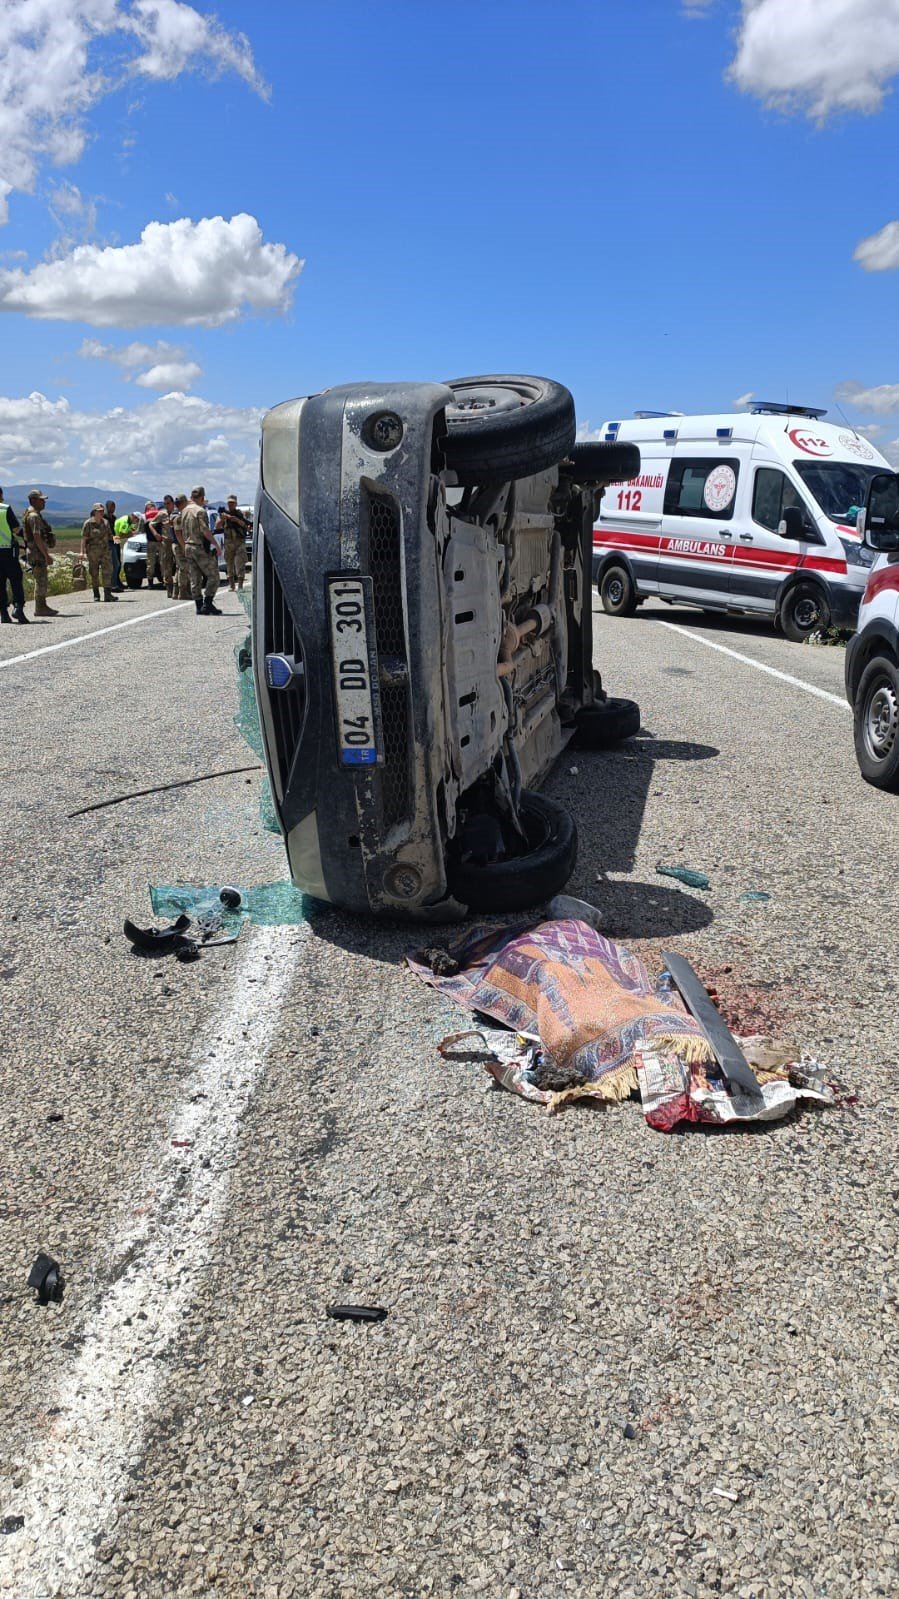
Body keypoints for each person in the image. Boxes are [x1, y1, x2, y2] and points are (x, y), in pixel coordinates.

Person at [181, 485, 222, 615]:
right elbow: (204, 530)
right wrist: (215, 544)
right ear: (203, 498)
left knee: (195, 577)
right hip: (198, 546)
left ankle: (199, 605)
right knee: (214, 575)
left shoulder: (185, 510)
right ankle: (207, 603)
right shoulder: (200, 511)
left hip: (188, 546)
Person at [22, 489, 58, 618]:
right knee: (41, 580)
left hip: (34, 551)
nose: (44, 502)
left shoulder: (30, 514)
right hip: (36, 553)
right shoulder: (34, 516)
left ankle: (42, 605)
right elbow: (37, 537)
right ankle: (40, 607)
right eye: (41, 500)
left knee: (41, 578)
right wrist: (46, 555)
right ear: (33, 500)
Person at [0, 487, 28, 623]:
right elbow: (16, 530)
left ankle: (3, 614)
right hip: (8, 551)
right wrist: (26, 538)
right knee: (15, 580)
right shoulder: (4, 509)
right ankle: (18, 608)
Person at [80, 502, 117, 602]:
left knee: (107, 572)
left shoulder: (105, 522)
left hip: (105, 552)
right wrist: (81, 552)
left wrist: (118, 539)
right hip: (93, 553)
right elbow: (84, 538)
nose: (101, 513)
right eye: (99, 511)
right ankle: (96, 594)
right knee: (94, 573)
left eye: (102, 511)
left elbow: (110, 535)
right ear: (94, 512)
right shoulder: (88, 523)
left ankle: (107, 594)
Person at [219, 494, 250, 591]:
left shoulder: (240, 514)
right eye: (229, 503)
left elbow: (246, 525)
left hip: (239, 542)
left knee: (240, 563)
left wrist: (236, 520)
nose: (230, 505)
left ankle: (240, 585)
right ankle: (231, 585)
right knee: (229, 564)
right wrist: (223, 518)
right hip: (228, 543)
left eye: (232, 503)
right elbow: (217, 525)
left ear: (236, 503)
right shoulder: (224, 514)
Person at [171, 494, 191, 599]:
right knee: (184, 568)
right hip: (179, 545)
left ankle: (175, 592)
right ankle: (182, 592)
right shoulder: (178, 516)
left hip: (178, 544)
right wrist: (184, 547)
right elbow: (178, 533)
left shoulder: (177, 514)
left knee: (179, 568)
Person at [144, 502, 165, 587]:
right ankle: (151, 582)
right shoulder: (149, 517)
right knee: (152, 563)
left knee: (162, 562)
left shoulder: (146, 517)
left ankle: (162, 580)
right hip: (153, 542)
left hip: (158, 542)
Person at [105, 500, 124, 591]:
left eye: (114, 506)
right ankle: (113, 585)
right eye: (111, 506)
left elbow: (116, 531)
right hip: (108, 543)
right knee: (114, 564)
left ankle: (117, 582)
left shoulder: (114, 518)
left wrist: (117, 542)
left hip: (115, 542)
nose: (112, 508)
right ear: (107, 507)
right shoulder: (104, 518)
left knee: (118, 563)